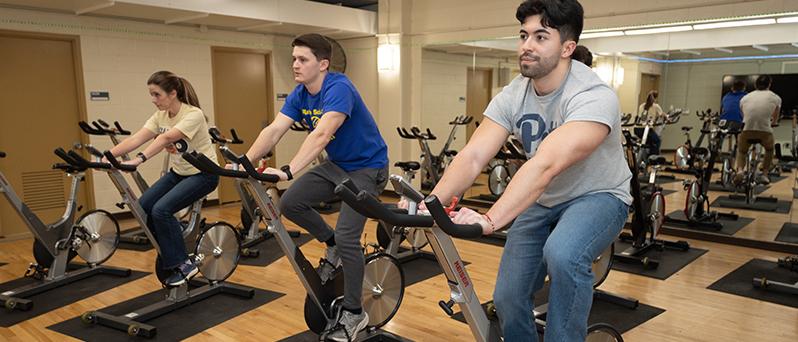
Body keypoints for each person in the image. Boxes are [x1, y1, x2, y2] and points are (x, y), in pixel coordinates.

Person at [409, 0, 632, 340]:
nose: (527, 45)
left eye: (541, 37)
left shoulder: (593, 95)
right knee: (508, 298)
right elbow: (473, 156)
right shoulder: (514, 93)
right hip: (544, 200)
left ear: (567, 48)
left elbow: (545, 165)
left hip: (598, 195)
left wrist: (490, 219)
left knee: (564, 254)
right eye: (523, 35)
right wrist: (432, 201)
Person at [238, 33, 388, 340]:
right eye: (293, 58)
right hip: (337, 167)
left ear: (323, 64)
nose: (295, 64)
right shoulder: (300, 93)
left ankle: (354, 314)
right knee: (289, 203)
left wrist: (290, 169)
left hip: (367, 168)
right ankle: (330, 244)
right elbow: (274, 129)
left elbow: (322, 134)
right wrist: (245, 161)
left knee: (349, 237)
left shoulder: (339, 87)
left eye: (302, 59)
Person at [106, 70, 219, 287]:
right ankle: (173, 248)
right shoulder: (161, 116)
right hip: (180, 173)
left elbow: (167, 137)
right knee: (144, 207)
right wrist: (108, 156)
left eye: (157, 94)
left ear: (173, 93)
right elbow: (138, 137)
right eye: (152, 95)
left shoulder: (192, 114)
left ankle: (185, 264)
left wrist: (139, 159)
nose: (153, 100)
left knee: (162, 210)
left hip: (205, 174)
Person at [735, 74, 781, 185]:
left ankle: (740, 170)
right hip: (764, 131)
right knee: (769, 150)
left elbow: (742, 114)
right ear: (769, 85)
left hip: (747, 130)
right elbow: (775, 116)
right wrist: (773, 123)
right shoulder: (776, 97)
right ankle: (764, 174)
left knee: (742, 151)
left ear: (755, 85)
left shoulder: (745, 98)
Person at [636, 90, 664, 154]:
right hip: (647, 129)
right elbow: (662, 115)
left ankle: (646, 156)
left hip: (637, 129)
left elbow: (640, 117)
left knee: (650, 141)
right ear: (655, 98)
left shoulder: (641, 106)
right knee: (657, 141)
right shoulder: (656, 106)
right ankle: (652, 158)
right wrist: (668, 118)